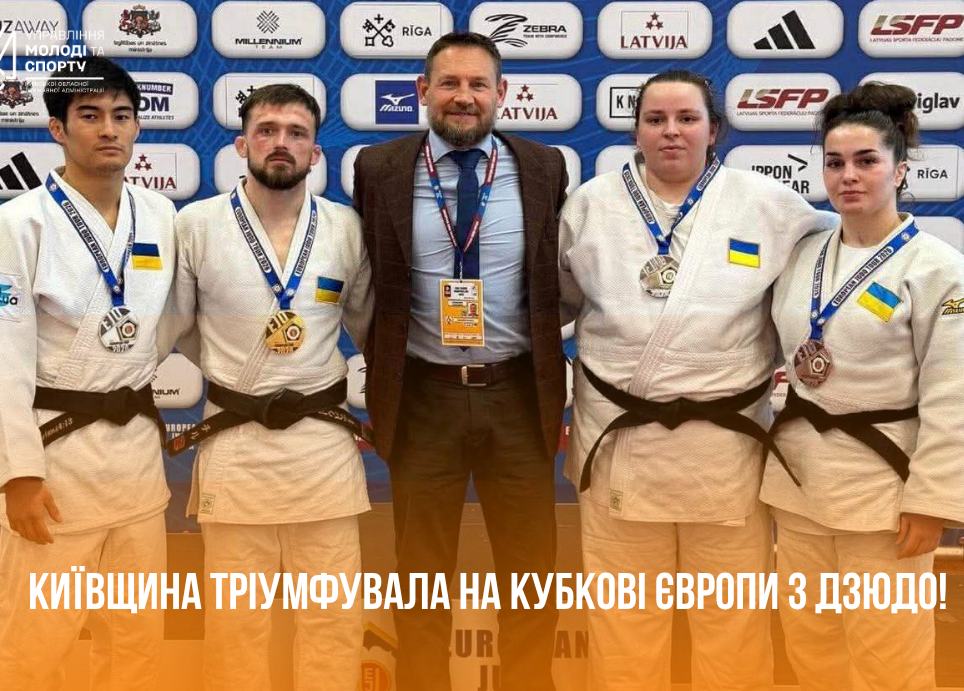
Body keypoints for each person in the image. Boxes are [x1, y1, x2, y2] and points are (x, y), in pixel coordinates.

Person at [558, 69, 835, 690]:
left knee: (732, 624)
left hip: (724, 448)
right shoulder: (591, 205)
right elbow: (558, 302)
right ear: (635, 131)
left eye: (687, 118)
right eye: (655, 120)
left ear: (715, 130)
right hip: (621, 440)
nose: (671, 132)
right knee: (623, 624)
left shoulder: (767, 204)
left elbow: (831, 270)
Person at [352, 31, 568, 691]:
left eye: (478, 84)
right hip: (424, 395)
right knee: (420, 578)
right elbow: (371, 280)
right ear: (423, 91)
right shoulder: (379, 167)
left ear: (502, 93)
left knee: (531, 578)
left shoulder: (543, 166)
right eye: (449, 83)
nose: (463, 97)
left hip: (516, 393)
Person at [762, 82, 964, 691]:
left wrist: (932, 501)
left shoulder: (944, 272)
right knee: (810, 649)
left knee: (890, 660)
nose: (848, 176)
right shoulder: (802, 257)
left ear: (901, 169)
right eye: (835, 162)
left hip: (885, 495)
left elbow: (952, 399)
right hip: (800, 484)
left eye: (866, 161)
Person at [0, 56, 176, 691]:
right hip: (56, 464)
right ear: (58, 128)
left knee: (137, 644)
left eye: (122, 115)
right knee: (34, 646)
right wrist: (17, 475)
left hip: (135, 464)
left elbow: (172, 323)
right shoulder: (15, 225)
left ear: (137, 127)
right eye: (90, 115)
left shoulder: (160, 216)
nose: (109, 129)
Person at [166, 84, 373, 690]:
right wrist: (240, 382)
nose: (280, 142)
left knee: (334, 622)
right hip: (236, 446)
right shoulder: (196, 225)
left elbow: (367, 328)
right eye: (267, 130)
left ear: (315, 152)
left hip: (321, 451)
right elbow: (179, 329)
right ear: (241, 144)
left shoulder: (345, 228)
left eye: (296, 133)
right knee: (236, 627)